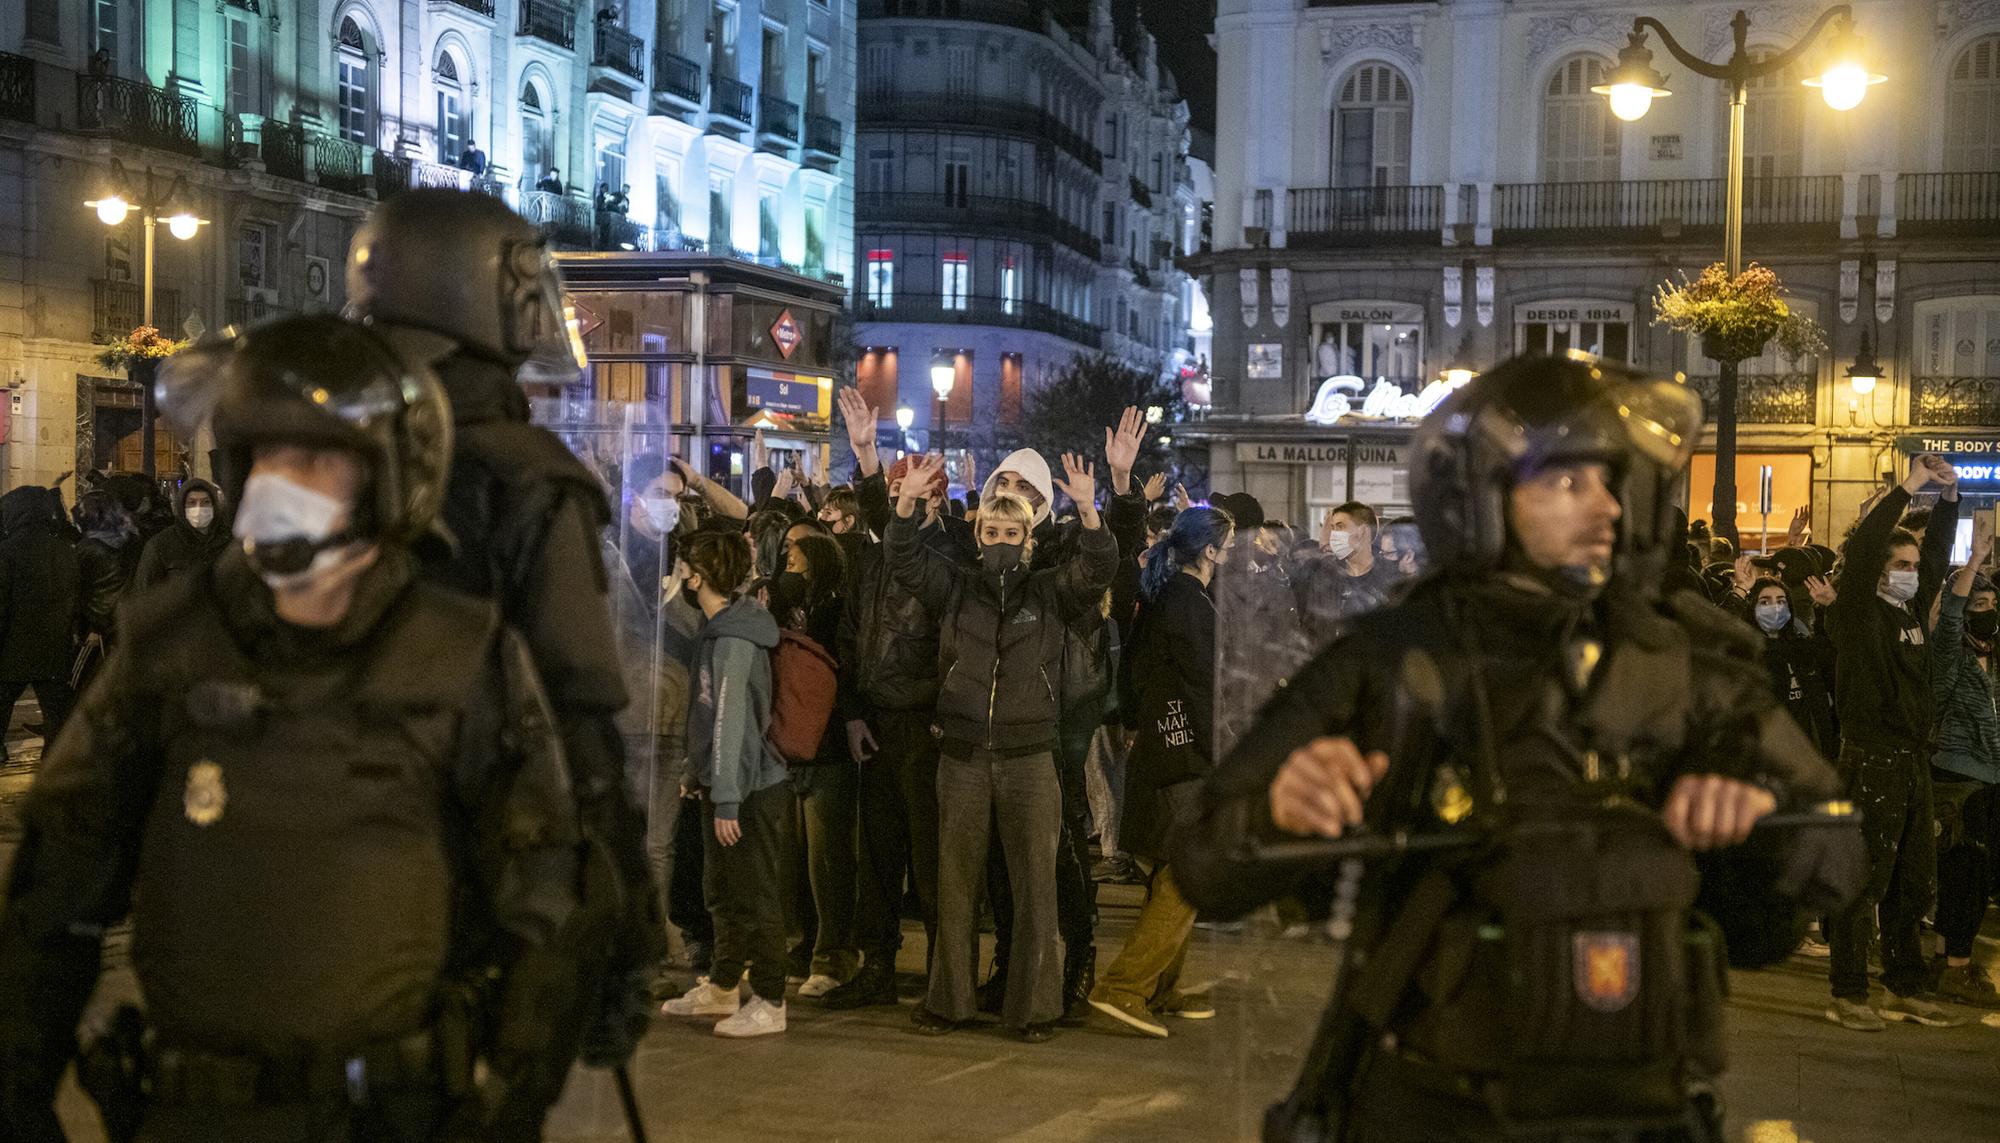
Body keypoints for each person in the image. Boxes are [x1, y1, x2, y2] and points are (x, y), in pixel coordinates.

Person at [1173, 355, 1862, 1142]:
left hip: (1644, 1115)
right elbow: (1202, 858)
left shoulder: (1684, 662)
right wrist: (1280, 811)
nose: (1605, 503)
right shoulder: (1400, 657)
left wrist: (1761, 827)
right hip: (1437, 1111)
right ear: (1484, 497)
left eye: (1611, 480)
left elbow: (1832, 861)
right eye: (1568, 482)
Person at [0, 315, 583, 1142]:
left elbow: (547, 897)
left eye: (316, 460)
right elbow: (55, 891)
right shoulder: (169, 644)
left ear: (384, 476)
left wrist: (511, 1095)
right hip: (197, 1114)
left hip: (396, 1111)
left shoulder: (459, 652)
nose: (285, 483)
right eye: (266, 458)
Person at [345, 190, 661, 1101]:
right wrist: (624, 929)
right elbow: (581, 714)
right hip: (472, 869)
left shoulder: (325, 450)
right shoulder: (526, 479)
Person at [892, 453, 1117, 1042]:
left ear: (1027, 540)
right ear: (978, 532)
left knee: (1036, 889)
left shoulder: (1048, 593)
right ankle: (949, 1003)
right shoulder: (958, 588)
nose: (999, 540)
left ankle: (1035, 1010)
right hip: (962, 755)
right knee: (956, 885)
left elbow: (1098, 571)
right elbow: (905, 558)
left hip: (1029, 757)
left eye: (1011, 533)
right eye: (990, 531)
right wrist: (906, 504)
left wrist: (1091, 509)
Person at [823, 411, 968, 1011]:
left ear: (933, 501)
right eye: (890, 495)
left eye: (908, 494)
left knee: (933, 859)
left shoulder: (951, 558)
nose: (895, 505)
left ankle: (942, 972)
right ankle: (878, 963)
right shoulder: (872, 560)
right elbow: (854, 639)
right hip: (879, 721)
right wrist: (854, 712)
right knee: (877, 854)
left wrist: (941, 714)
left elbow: (956, 644)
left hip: (925, 724)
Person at [1822, 453, 1961, 1031]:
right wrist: (1910, 487)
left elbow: (1935, 556)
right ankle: (1849, 991)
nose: (1910, 570)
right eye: (1898, 563)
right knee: (1866, 876)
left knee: (1913, 877)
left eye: (1911, 564)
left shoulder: (1907, 609)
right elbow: (1865, 545)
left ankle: (1905, 984)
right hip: (1871, 755)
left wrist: (1952, 499)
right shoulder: (1859, 611)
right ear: (1878, 571)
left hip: (1910, 759)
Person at [1088, 505, 1232, 1038]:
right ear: (1212, 551)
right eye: (1228, 544)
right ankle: (1123, 988)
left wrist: (1132, 719)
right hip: (1185, 754)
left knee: (1177, 869)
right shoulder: (1189, 603)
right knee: (1184, 873)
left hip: (1165, 747)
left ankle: (1157, 986)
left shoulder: (1168, 596)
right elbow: (1205, 685)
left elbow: (1136, 668)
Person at [658, 532, 793, 1038]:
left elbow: (731, 722)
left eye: (682, 571)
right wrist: (698, 777)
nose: (677, 579)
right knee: (723, 890)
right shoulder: (720, 630)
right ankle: (722, 985)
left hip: (750, 789)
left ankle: (772, 999)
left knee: (754, 895)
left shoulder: (735, 639)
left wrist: (729, 799)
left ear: (697, 578)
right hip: (724, 785)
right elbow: (707, 714)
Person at [1926, 541, 2000, 1008]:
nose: (1987, 613)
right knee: (1963, 875)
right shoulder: (1949, 657)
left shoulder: (1993, 660)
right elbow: (1951, 617)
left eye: (1993, 606)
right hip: (1957, 779)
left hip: (1990, 780)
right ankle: (1955, 967)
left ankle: (1944, 957)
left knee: (1972, 877)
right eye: (1979, 605)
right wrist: (1969, 568)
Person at [0, 487, 79, 756]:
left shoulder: (7, 551)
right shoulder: (65, 550)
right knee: (55, 712)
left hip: (13, 647)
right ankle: (55, 760)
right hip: (54, 647)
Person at [1741, 573, 1839, 761]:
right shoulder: (1746, 654)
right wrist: (1739, 592)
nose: (1775, 608)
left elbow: (1838, 658)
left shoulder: (1804, 649)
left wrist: (1830, 608)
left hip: (1812, 753)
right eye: (1764, 602)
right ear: (1751, 607)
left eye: (1781, 601)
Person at [1294, 500, 1402, 649]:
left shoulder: (1389, 577)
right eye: (1333, 528)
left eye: (1340, 527)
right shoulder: (1324, 574)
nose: (1334, 535)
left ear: (1363, 531)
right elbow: (1310, 625)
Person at [133, 478, 229, 590]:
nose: (199, 508)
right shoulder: (161, 545)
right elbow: (143, 593)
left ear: (215, 506)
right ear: (182, 507)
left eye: (206, 502)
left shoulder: (228, 541)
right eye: (192, 503)